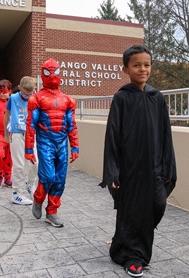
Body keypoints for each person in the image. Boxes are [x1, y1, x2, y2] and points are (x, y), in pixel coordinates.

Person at [99, 45, 177, 277]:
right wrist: (112, 171)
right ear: (126, 69)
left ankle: (122, 243)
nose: (142, 69)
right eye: (136, 65)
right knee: (132, 211)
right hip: (130, 168)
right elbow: (112, 137)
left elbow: (166, 134)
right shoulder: (121, 98)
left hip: (154, 167)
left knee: (157, 205)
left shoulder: (157, 98)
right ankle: (135, 256)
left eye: (146, 65)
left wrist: (168, 167)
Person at [25, 58, 79, 227]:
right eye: (48, 72)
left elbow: (72, 124)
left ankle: (52, 212)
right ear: (43, 74)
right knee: (48, 176)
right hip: (45, 141)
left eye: (55, 72)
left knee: (60, 180)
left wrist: (75, 146)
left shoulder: (68, 100)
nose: (53, 76)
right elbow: (31, 125)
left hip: (62, 143)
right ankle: (38, 198)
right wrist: (28, 149)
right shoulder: (36, 99)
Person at [4, 76, 38, 205]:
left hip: (31, 134)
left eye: (29, 93)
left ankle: (30, 184)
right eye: (24, 93)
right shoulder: (13, 98)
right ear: (19, 88)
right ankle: (16, 194)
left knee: (36, 163)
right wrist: (6, 133)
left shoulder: (35, 98)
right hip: (17, 134)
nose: (27, 96)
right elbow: (6, 115)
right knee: (19, 165)